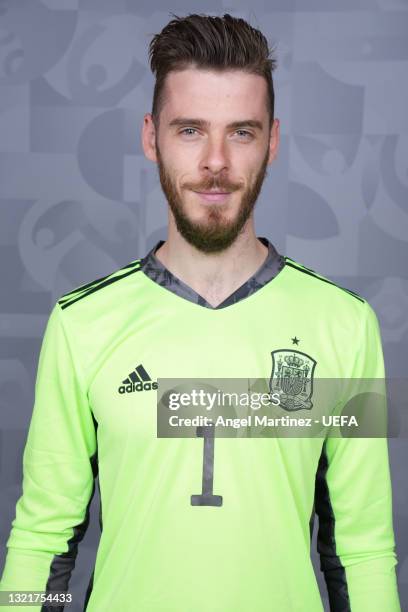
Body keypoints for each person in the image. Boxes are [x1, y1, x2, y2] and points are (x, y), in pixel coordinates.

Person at [0, 13, 401, 612]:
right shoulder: (81, 324)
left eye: (241, 132)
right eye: (190, 130)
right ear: (150, 136)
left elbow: (362, 548)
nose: (216, 161)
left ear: (272, 141)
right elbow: (42, 538)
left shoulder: (346, 325)